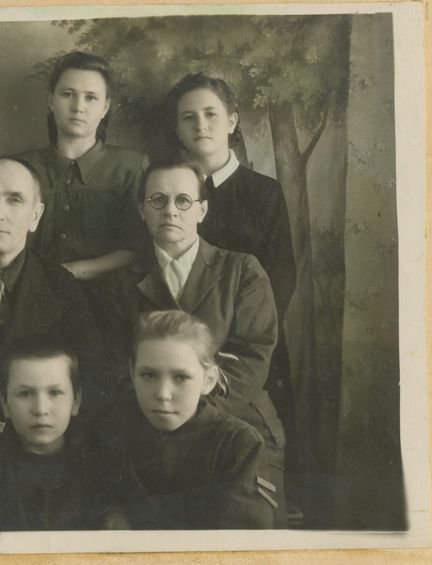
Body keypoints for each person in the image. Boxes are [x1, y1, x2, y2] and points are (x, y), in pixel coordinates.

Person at [96, 160, 286, 524]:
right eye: (158, 200)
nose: (170, 210)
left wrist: (193, 409)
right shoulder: (119, 285)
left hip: (239, 422)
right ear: (142, 210)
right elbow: (116, 364)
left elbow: (253, 355)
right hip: (153, 426)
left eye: (183, 200)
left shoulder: (242, 270)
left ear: (202, 210)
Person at [163, 72, 297, 474]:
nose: (200, 125)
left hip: (248, 348)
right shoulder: (168, 194)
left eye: (211, 114)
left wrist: (227, 350)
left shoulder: (263, 192)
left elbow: (282, 276)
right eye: (188, 117)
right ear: (177, 128)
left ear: (232, 122)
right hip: (177, 346)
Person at [0, 156, 110, 449]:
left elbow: (93, 374)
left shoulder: (59, 284)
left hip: (41, 446)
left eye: (14, 200)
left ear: (35, 216)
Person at [101, 310, 275, 529]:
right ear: (132, 373)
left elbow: (245, 537)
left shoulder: (237, 443)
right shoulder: (113, 433)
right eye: (149, 375)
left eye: (181, 377)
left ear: (208, 380)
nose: (163, 394)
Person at [0, 335, 110, 531]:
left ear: (76, 401)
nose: (40, 409)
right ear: (5, 404)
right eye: (25, 394)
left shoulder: (96, 464)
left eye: (55, 393)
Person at [16, 51, 149, 288]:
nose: (78, 107)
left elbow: (137, 247)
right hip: (32, 292)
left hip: (108, 297)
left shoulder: (131, 167)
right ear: (51, 101)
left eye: (91, 97)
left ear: (105, 107)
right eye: (68, 94)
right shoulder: (21, 169)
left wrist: (67, 272)